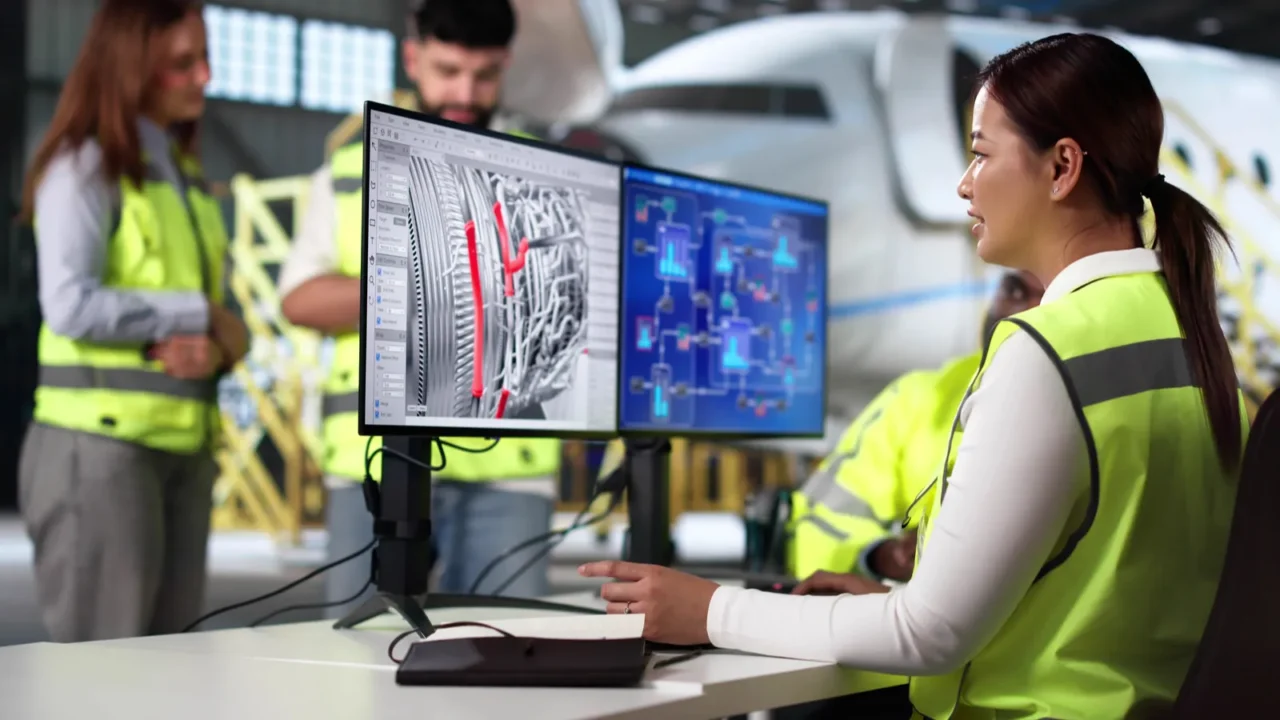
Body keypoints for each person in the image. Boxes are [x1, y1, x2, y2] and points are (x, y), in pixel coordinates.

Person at [579, 32, 1247, 719]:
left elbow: (928, 637)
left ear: (1062, 168)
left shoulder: (1048, 349)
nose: (964, 184)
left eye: (982, 154)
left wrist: (708, 608)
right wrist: (906, 601)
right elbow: (1108, 597)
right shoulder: (1189, 335)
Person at [279, 0, 561, 616]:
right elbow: (299, 297)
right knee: (357, 678)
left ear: (506, 64)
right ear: (413, 58)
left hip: (509, 466)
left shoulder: (544, 175)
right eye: (448, 70)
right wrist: (425, 287)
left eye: (484, 75)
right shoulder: (351, 171)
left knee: (519, 676)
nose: (464, 91)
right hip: (378, 464)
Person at [18, 0, 248, 643]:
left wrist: (223, 347)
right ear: (129, 69)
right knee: (103, 678)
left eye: (204, 58)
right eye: (182, 64)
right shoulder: (84, 165)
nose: (203, 75)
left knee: (167, 673)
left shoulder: (184, 178)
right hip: (101, 453)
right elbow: (67, 303)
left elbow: (224, 317)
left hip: (184, 448)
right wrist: (196, 313)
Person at [788, 271, 1044, 584]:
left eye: (1046, 293)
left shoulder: (1095, 412)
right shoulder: (917, 398)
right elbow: (822, 516)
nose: (1024, 308)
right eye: (1014, 289)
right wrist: (880, 555)